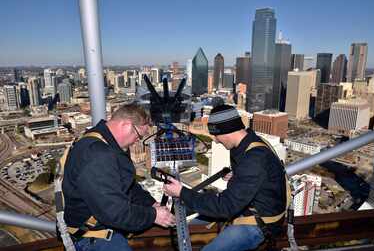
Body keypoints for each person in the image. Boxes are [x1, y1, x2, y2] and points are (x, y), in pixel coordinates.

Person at [164, 104, 287, 251]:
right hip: (246, 208)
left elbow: (226, 206)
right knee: (190, 226)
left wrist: (181, 192)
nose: (215, 140)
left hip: (260, 223)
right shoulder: (247, 144)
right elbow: (258, 178)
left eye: (216, 135)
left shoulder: (253, 158)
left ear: (226, 131)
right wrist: (238, 177)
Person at [63, 103, 175, 251]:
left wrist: (150, 204)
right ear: (126, 125)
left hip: (101, 229)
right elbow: (114, 212)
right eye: (139, 135)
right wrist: (153, 215)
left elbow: (127, 185)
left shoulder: (103, 142)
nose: (138, 141)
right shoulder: (97, 155)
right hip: (94, 238)